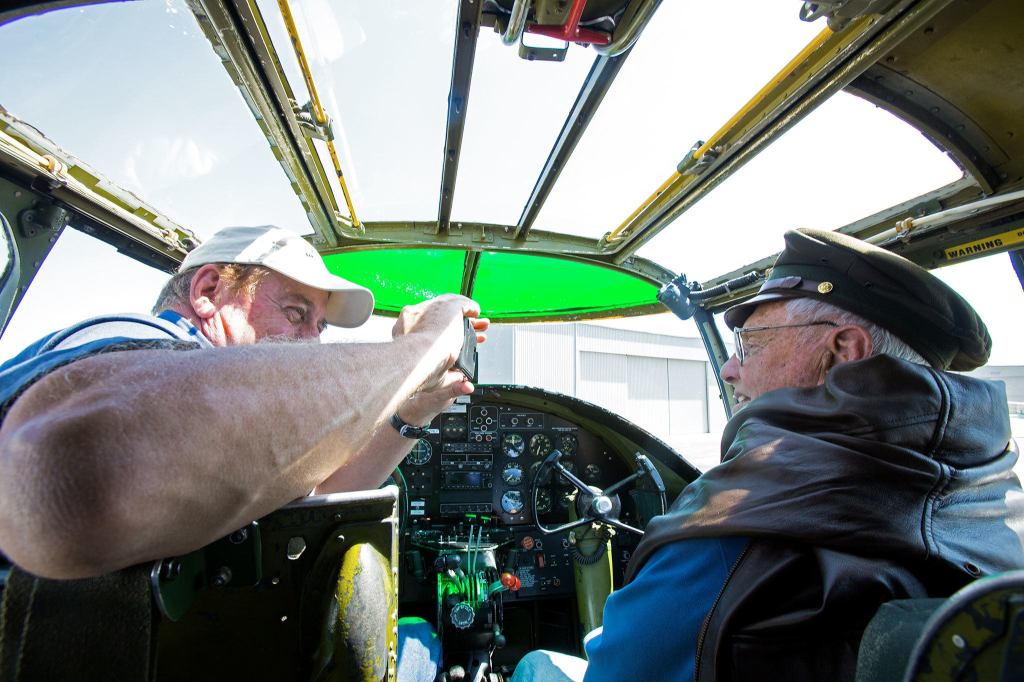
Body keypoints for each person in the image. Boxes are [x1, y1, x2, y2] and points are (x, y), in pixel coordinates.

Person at [512, 228, 1024, 681]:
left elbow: (617, 670)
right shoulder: (995, 502)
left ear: (843, 352)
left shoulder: (730, 536)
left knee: (537, 664)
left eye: (750, 343)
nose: (731, 369)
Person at [0, 225, 488, 580]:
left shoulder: (218, 430)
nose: (311, 345)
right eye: (296, 312)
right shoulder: (133, 338)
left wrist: (416, 408)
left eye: (319, 327)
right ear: (209, 291)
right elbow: (71, 479)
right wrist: (420, 349)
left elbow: (309, 490)